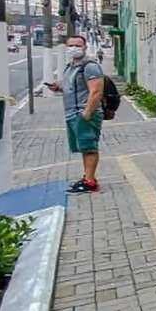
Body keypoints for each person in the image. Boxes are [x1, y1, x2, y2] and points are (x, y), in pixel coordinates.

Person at [46, 35, 105, 194]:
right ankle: (87, 177)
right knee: (84, 148)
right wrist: (58, 87)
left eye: (78, 45)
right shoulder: (70, 67)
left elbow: (96, 91)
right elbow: (72, 86)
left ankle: (90, 182)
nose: (74, 48)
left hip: (84, 113)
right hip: (73, 113)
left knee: (89, 147)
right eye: (71, 45)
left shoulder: (90, 67)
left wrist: (87, 113)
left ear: (85, 47)